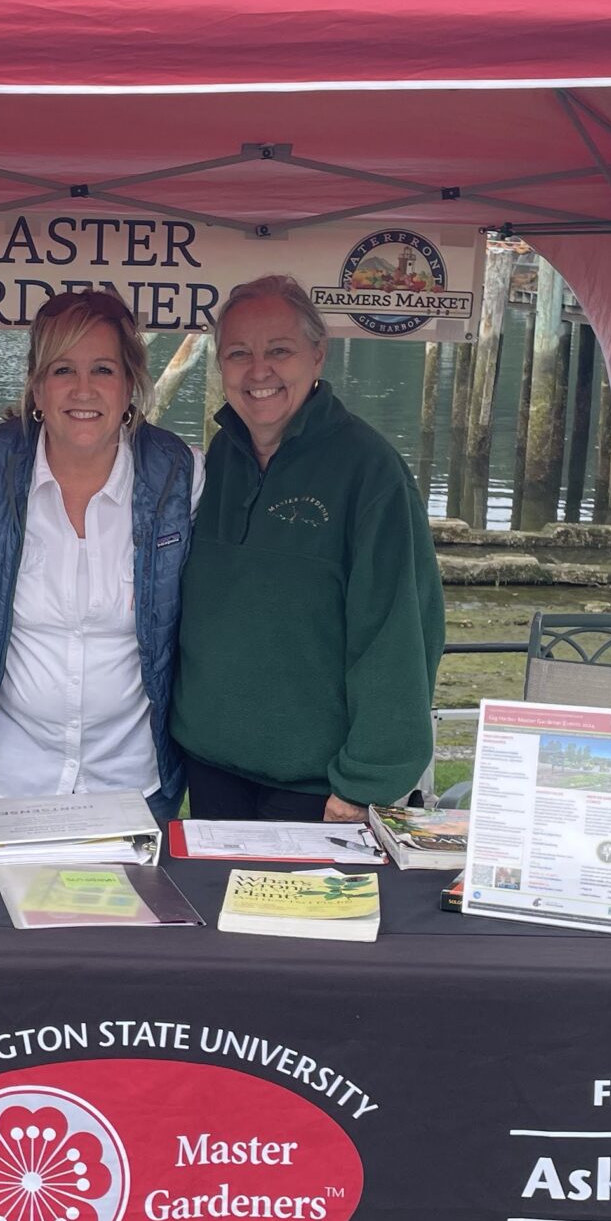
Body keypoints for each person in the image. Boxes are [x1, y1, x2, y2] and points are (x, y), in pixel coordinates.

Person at [171, 275, 446, 822]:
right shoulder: (217, 459)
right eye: (238, 354)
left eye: (279, 351)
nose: (258, 371)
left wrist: (363, 783)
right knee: (216, 909)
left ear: (318, 356)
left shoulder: (371, 473)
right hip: (210, 769)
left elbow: (399, 635)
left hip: (319, 790)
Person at [0, 291, 203, 818]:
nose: (83, 390)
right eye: (63, 369)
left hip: (135, 785)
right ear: (37, 386)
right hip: (10, 781)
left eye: (103, 369)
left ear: (129, 384)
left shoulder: (183, 474)